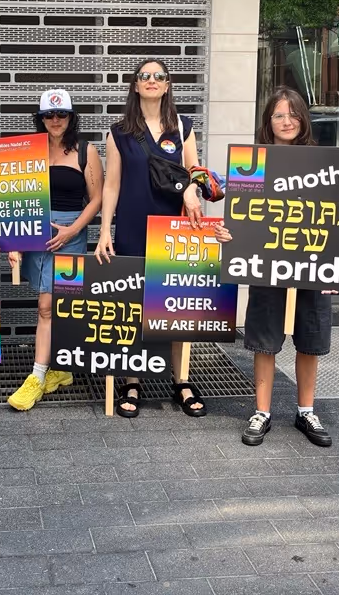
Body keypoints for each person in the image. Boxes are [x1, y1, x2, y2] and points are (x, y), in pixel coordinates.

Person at [94, 59, 206, 418]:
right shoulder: (119, 132)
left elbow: (197, 172)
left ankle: (182, 380)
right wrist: (103, 231)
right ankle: (132, 380)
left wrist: (191, 188)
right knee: (134, 305)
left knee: (176, 305)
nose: (152, 81)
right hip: (132, 226)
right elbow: (111, 185)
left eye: (159, 76)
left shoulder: (183, 127)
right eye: (145, 76)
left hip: (174, 228)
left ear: (168, 84)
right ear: (136, 85)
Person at [225, 87, 335, 448]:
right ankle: (262, 411)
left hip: (312, 265)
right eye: (278, 115)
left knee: (309, 339)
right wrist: (232, 234)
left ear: (303, 118)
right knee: (265, 341)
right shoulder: (254, 162)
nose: (286, 121)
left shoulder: (323, 163)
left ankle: (306, 410)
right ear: (267, 122)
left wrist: (337, 266)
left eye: (292, 114)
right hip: (267, 264)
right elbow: (244, 215)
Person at [6, 89, 103, 410]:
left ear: (71, 117)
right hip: (35, 234)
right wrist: (15, 241)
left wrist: (74, 230)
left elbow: (98, 198)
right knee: (50, 304)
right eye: (49, 115)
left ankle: (36, 377)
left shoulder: (85, 152)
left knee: (49, 306)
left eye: (62, 115)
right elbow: (16, 198)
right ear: (41, 118)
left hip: (70, 236)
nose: (56, 120)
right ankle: (60, 369)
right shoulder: (29, 151)